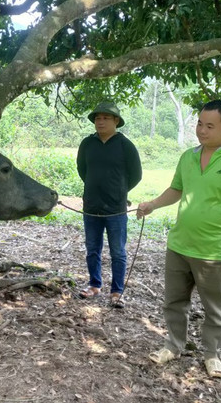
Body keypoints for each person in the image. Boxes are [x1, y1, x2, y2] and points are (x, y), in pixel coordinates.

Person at [136, 99, 221, 379]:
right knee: (174, 301)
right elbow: (177, 189)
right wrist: (152, 204)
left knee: (215, 306)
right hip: (179, 244)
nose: (202, 130)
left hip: (213, 250)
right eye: (200, 123)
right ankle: (173, 345)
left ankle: (213, 354)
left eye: (210, 126)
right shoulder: (188, 157)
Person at [76, 101, 142, 308]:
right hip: (91, 207)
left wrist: (120, 192)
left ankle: (116, 291)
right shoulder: (87, 144)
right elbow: (82, 170)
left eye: (105, 118)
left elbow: (136, 175)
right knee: (92, 249)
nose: (100, 121)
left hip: (116, 209)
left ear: (116, 121)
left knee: (118, 252)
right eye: (97, 118)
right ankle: (94, 285)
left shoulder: (125, 145)